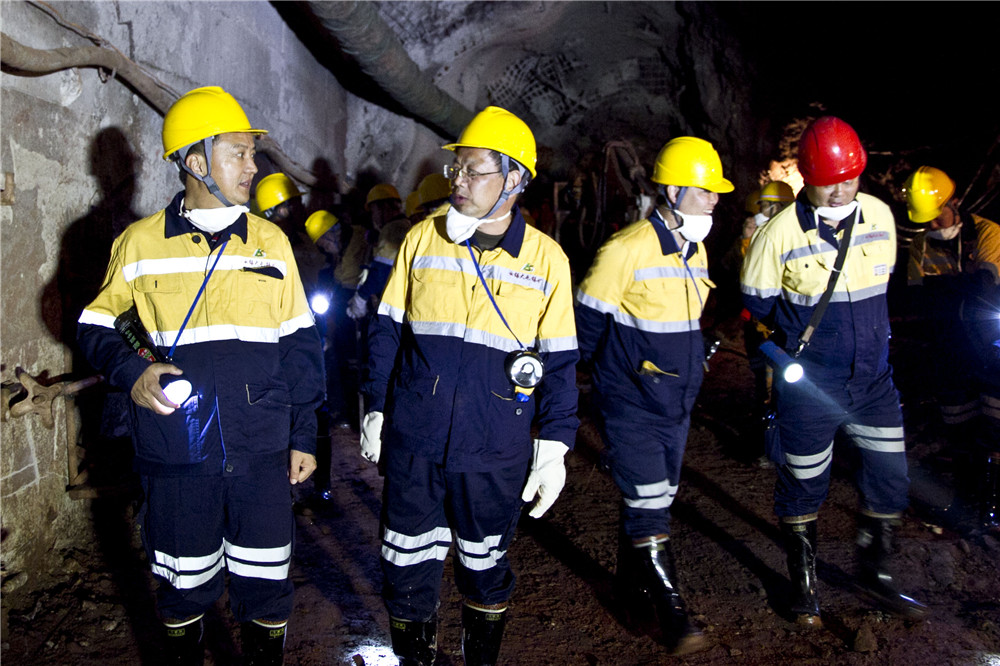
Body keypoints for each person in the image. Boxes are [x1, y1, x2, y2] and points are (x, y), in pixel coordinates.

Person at [76, 86, 325, 665]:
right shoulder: (138, 243)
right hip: (176, 450)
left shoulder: (271, 242)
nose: (253, 166)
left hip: (261, 449)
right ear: (196, 162)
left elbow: (300, 346)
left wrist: (303, 434)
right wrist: (133, 372)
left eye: (251, 153)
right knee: (182, 590)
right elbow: (97, 325)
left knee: (267, 587)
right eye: (238, 153)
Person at [360, 106, 579, 666]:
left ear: (514, 179)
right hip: (417, 441)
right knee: (405, 568)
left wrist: (554, 446)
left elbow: (559, 363)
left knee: (485, 570)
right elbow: (386, 331)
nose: (458, 180)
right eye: (456, 168)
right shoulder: (421, 240)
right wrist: (375, 408)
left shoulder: (547, 260)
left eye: (473, 170)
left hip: (493, 449)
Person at [741, 116, 927, 627]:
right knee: (804, 481)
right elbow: (757, 311)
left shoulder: (881, 216)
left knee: (890, 477)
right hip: (812, 386)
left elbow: (886, 287)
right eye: (829, 181)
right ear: (807, 177)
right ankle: (803, 587)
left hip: (873, 382)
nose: (842, 189)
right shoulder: (777, 235)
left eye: (850, 178)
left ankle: (876, 575)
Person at [575, 136, 732, 655]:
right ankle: (673, 613)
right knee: (649, 506)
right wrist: (581, 390)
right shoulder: (625, 249)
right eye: (704, 190)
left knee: (655, 498)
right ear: (672, 191)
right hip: (631, 401)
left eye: (715, 191)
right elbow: (584, 328)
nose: (714, 199)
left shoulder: (695, 249)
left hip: (677, 402)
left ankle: (631, 596)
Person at [902, 166, 1000, 530]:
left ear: (954, 202)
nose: (931, 225)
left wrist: (946, 289)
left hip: (990, 345)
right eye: (925, 220)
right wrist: (960, 285)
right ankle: (966, 500)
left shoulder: (988, 233)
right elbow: (917, 299)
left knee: (995, 424)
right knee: (958, 425)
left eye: (936, 215)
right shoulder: (920, 245)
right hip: (949, 347)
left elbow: (986, 284)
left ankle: (992, 503)